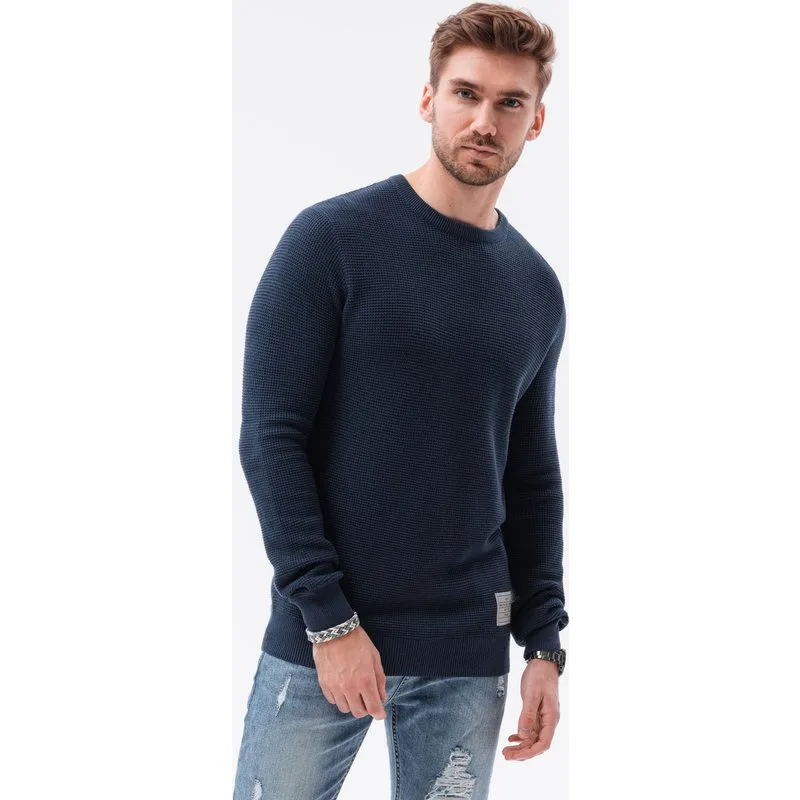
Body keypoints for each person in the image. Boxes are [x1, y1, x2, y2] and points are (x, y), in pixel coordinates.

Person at [233, 3, 568, 798]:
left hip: (465, 650)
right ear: (428, 99)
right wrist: (329, 620)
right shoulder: (331, 240)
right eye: (466, 94)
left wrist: (544, 644)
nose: (484, 121)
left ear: (535, 121)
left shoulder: (535, 289)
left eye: (509, 102)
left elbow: (530, 476)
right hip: (323, 639)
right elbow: (270, 436)